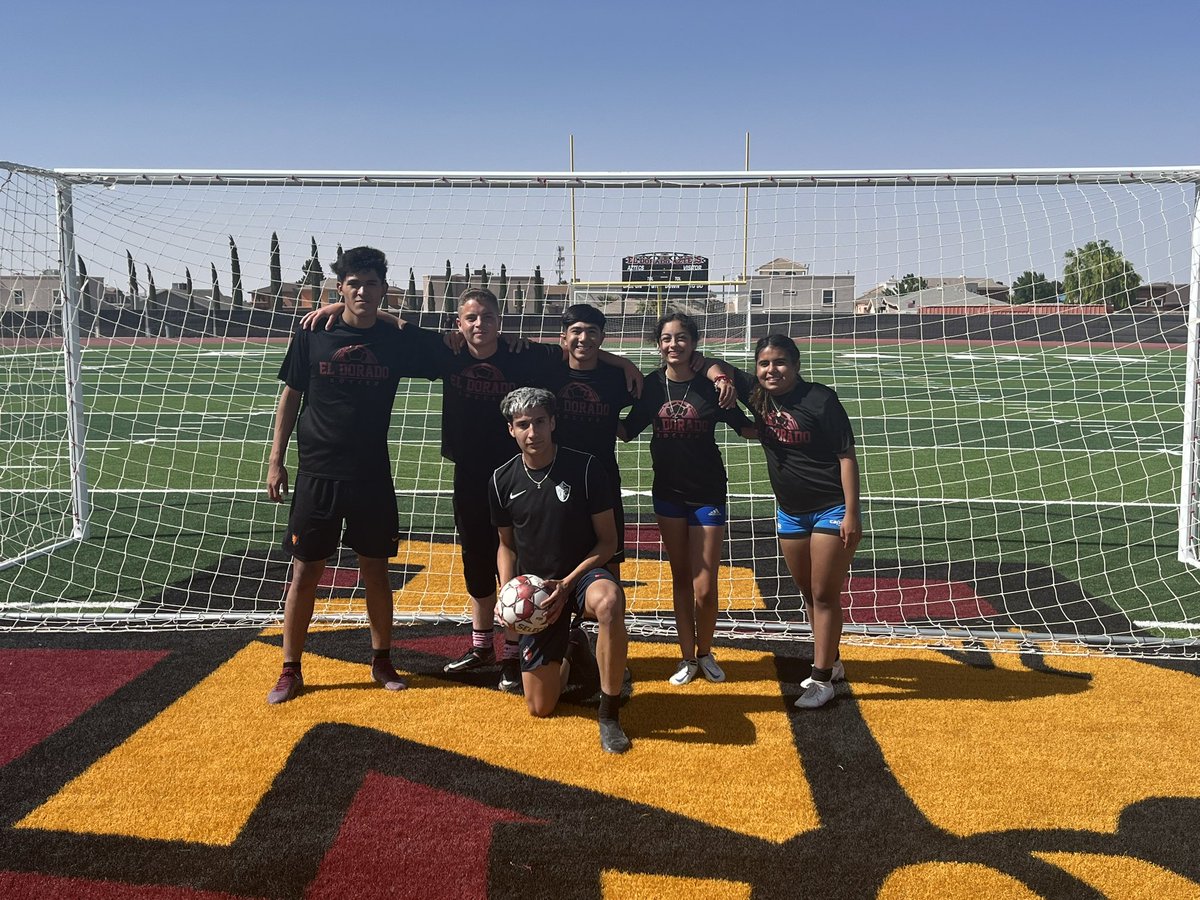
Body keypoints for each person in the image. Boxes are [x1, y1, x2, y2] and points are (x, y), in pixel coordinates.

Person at [303, 289, 642, 693]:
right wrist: (343, 307)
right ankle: (483, 646)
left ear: (501, 321)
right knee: (476, 556)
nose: (479, 325)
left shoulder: (522, 355)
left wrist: (619, 359)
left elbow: (575, 351)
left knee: (520, 552)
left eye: (488, 317)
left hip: (516, 474)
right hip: (468, 472)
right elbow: (398, 327)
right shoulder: (447, 350)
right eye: (471, 318)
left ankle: (518, 652)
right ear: (458, 323)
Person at [265, 246, 439, 704]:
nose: (362, 291)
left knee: (376, 571)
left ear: (385, 289)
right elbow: (290, 396)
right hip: (316, 473)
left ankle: (382, 659)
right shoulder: (312, 333)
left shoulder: (398, 339)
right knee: (305, 572)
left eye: (372, 284)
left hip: (370, 476)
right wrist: (275, 459)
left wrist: (393, 321)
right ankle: (290, 668)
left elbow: (455, 347)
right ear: (339, 287)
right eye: (353, 284)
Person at [490, 387, 631, 753]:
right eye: (523, 424)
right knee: (540, 707)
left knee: (610, 601)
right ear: (512, 431)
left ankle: (609, 713)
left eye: (539, 422)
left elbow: (606, 543)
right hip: (537, 594)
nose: (532, 432)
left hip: (581, 577)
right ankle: (571, 647)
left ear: (553, 423)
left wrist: (567, 584)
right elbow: (506, 545)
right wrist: (508, 593)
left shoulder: (585, 468)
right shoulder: (501, 480)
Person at [620, 313, 752, 686]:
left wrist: (788, 433)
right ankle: (687, 657)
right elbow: (628, 430)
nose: (673, 345)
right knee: (680, 578)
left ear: (693, 343)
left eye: (680, 338)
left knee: (705, 584)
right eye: (665, 338)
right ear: (658, 345)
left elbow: (743, 426)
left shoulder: (711, 387)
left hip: (707, 491)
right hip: (668, 494)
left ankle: (706, 652)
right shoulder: (649, 386)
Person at [739, 333, 862, 709]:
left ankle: (822, 679)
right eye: (764, 363)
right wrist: (724, 390)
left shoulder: (820, 399)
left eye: (779, 362)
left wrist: (852, 513)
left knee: (824, 595)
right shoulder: (760, 398)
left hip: (830, 509)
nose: (771, 369)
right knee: (808, 592)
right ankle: (833, 661)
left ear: (795, 365)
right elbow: (714, 367)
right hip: (789, 511)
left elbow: (846, 455)